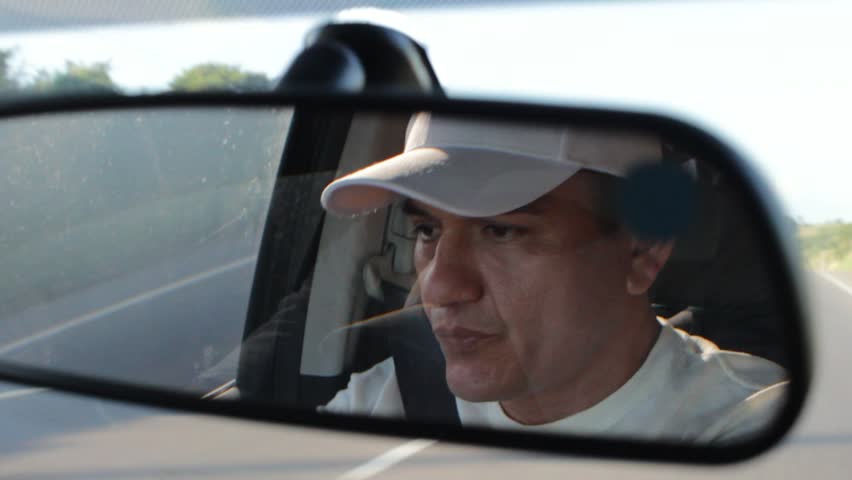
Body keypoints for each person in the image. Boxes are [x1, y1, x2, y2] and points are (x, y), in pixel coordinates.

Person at [317, 112, 788, 443]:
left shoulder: (753, 422)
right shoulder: (386, 396)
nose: (439, 287)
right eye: (427, 229)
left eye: (502, 231)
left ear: (641, 252)